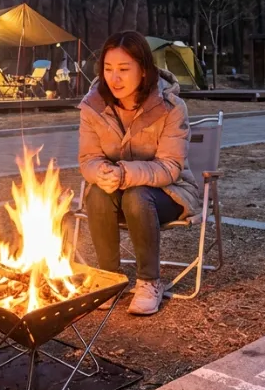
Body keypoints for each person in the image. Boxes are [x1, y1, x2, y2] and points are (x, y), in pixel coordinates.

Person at [78, 31, 200, 316]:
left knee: (136, 195)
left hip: (170, 192)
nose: (114, 78)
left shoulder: (170, 107)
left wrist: (123, 174)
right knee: (96, 192)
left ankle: (149, 281)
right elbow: (88, 159)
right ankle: (110, 278)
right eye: (108, 69)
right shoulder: (92, 106)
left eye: (123, 69)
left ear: (143, 70)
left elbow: (171, 167)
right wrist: (102, 173)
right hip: (114, 193)